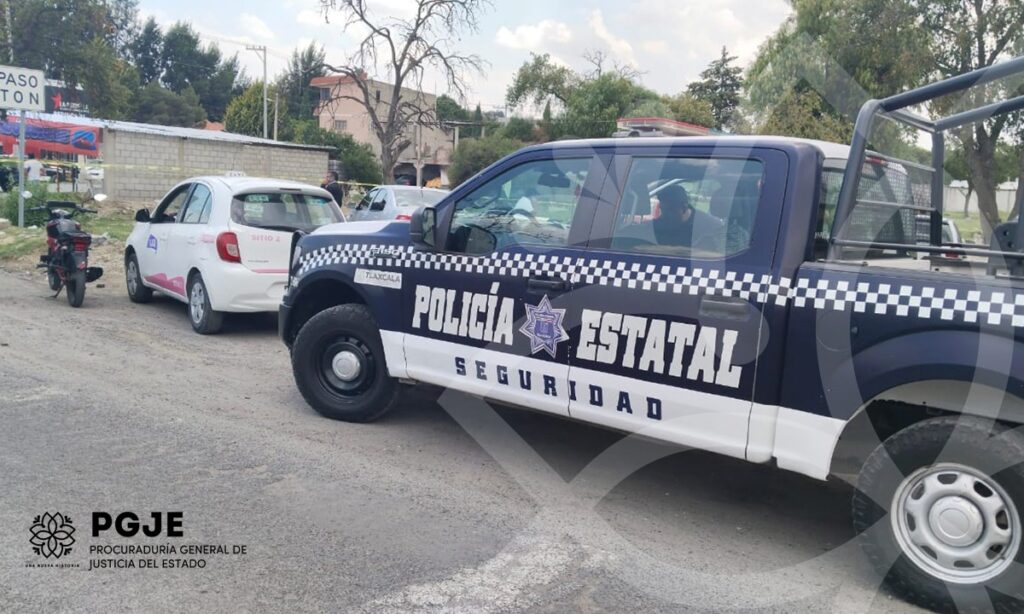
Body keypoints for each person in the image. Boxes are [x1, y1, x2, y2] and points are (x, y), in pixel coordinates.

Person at [648, 183, 724, 251]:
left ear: (684, 207)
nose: (664, 215)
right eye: (662, 209)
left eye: (669, 210)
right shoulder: (659, 223)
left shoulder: (711, 227)